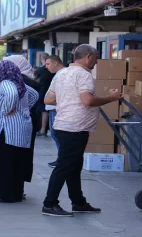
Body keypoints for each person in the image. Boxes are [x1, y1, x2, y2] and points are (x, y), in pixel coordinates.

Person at [42, 44, 123, 217]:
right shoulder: (84, 74)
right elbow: (87, 100)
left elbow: (48, 99)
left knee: (73, 166)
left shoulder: (61, 73)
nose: (96, 61)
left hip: (63, 125)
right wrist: (111, 97)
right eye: (95, 57)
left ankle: (78, 202)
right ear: (88, 57)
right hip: (75, 128)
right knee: (64, 166)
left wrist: (67, 101)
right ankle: (49, 204)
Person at [0, 60, 38, 203]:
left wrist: (7, 109)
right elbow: (34, 95)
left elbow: (11, 94)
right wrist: (23, 109)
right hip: (21, 128)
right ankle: (17, 193)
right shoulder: (20, 83)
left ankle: (6, 195)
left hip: (6, 129)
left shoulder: (6, 83)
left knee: (6, 163)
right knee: (18, 163)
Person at [4, 55, 42, 184]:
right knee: (25, 153)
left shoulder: (17, 80)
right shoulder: (31, 80)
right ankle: (20, 183)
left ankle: (12, 184)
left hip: (16, 121)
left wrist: (9, 108)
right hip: (30, 119)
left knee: (13, 154)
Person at [44, 55, 65, 167]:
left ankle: (62, 158)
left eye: (48, 64)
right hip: (53, 108)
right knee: (54, 134)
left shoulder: (63, 74)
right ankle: (61, 157)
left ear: (56, 63)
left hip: (56, 108)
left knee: (57, 134)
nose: (46, 67)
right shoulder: (58, 74)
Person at [34, 53, 54, 137]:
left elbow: (34, 80)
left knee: (43, 111)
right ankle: (48, 129)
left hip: (42, 91)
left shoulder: (39, 70)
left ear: (42, 60)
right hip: (51, 91)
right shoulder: (53, 70)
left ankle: (42, 129)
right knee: (50, 111)